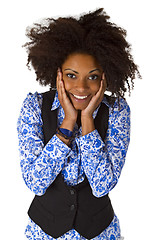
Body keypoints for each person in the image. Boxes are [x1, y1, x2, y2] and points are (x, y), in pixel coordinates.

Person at [17, 8, 140, 240]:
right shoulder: (34, 108)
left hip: (101, 234)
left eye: (92, 77)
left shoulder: (117, 111)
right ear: (58, 73)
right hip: (43, 234)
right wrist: (67, 123)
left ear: (105, 75)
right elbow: (35, 182)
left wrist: (87, 122)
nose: (82, 88)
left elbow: (102, 186)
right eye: (72, 75)